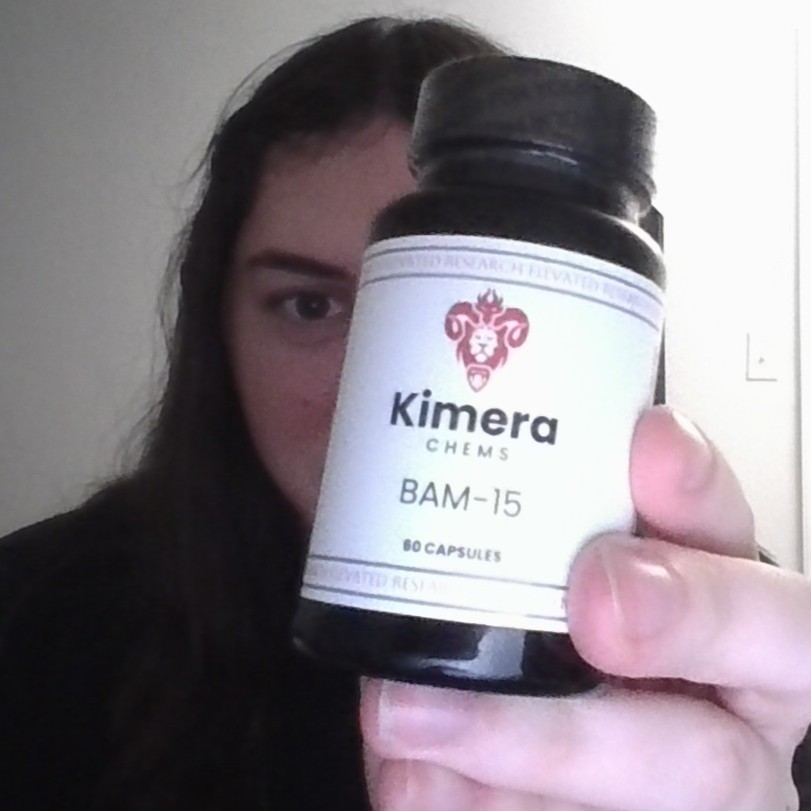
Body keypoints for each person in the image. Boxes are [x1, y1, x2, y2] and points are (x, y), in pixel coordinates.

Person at [0, 14, 809, 811]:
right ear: (219, 327)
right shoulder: (30, 616)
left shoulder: (714, 665)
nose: (387, 390)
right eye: (310, 304)